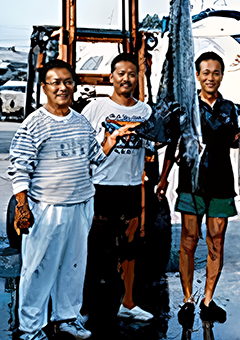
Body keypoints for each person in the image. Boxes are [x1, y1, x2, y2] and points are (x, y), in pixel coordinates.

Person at [8, 59, 132, 340]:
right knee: (38, 269)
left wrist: (111, 141)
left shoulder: (80, 121)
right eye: (55, 82)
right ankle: (30, 329)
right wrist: (22, 207)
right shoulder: (33, 124)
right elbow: (19, 168)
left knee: (74, 267)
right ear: (44, 87)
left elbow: (94, 158)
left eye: (67, 82)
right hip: (46, 207)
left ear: (74, 86)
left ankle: (66, 319)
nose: (62, 88)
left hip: (81, 205)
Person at [157, 51, 239, 327]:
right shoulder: (186, 107)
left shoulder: (230, 109)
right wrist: (164, 178)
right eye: (206, 73)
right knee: (189, 241)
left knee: (217, 241)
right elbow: (173, 144)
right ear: (197, 75)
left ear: (222, 76)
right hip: (190, 184)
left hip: (222, 184)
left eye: (216, 73)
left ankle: (207, 300)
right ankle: (187, 299)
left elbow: (236, 141)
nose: (210, 78)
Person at [82, 52, 154, 322]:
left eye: (131, 74)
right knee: (94, 251)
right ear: (111, 77)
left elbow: (151, 150)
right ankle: (84, 308)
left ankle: (128, 303)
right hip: (101, 187)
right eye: (121, 73)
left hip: (131, 188)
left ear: (138, 78)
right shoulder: (96, 107)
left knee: (129, 250)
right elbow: (82, 146)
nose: (126, 78)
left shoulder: (146, 112)